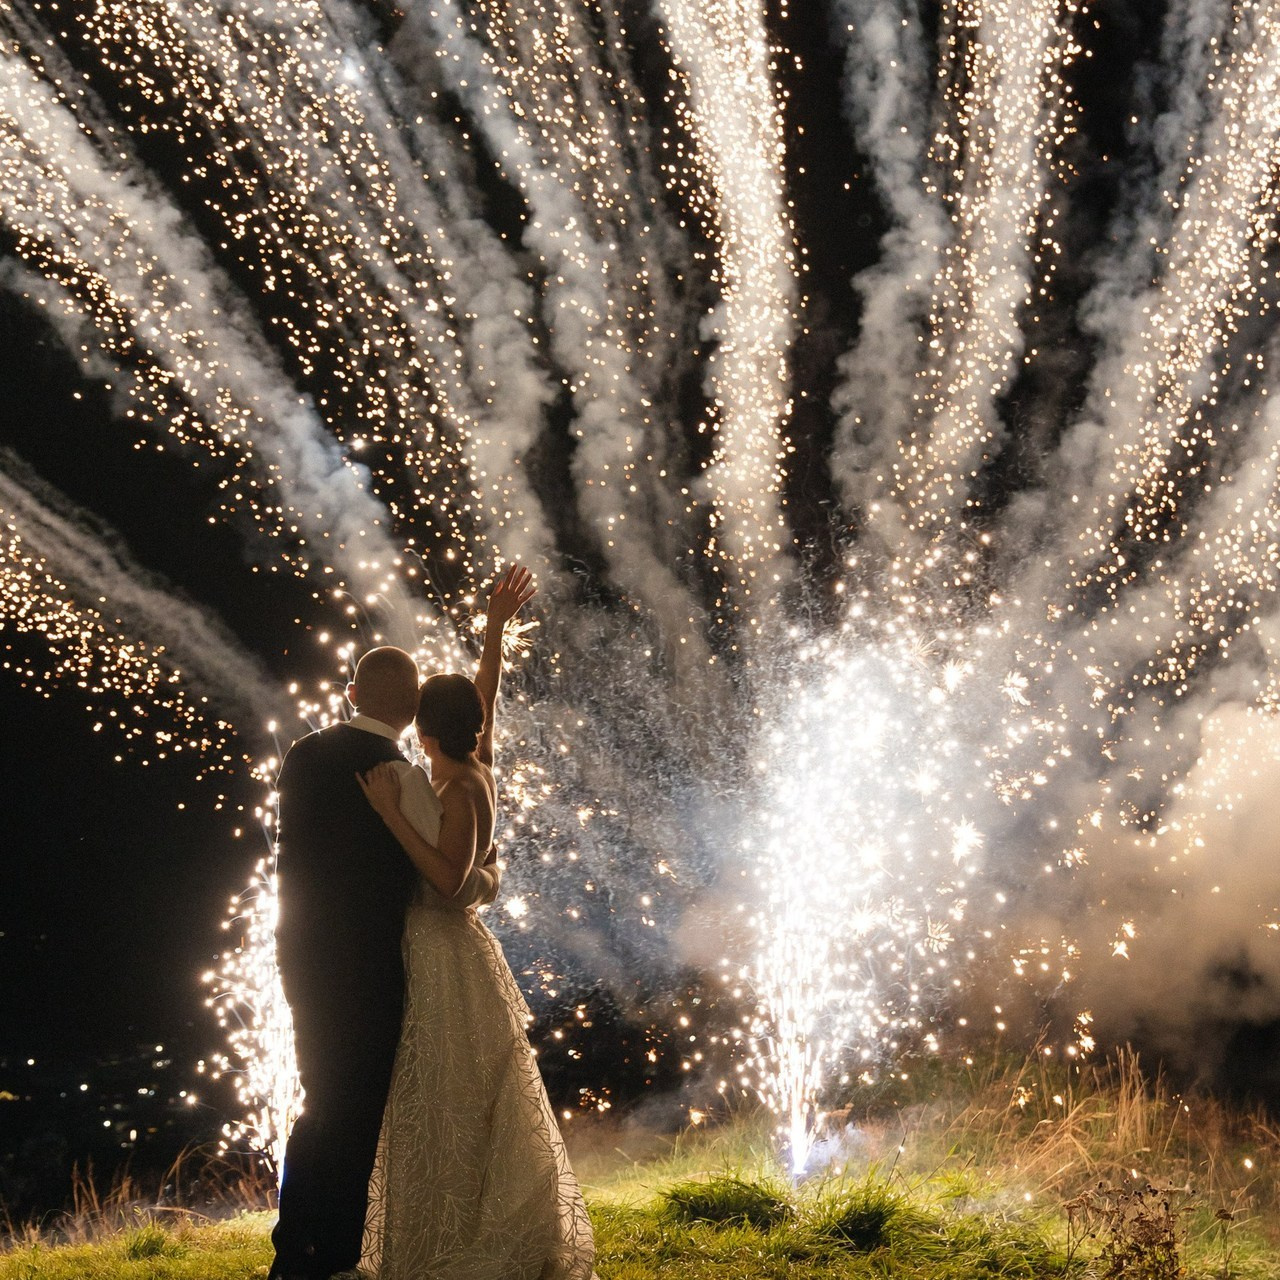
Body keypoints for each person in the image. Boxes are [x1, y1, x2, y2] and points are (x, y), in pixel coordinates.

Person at [357, 564, 597, 1279]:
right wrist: (492, 631)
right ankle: (434, 1230)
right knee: (436, 1096)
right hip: (434, 949)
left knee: (451, 1095)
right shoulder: (470, 761)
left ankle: (461, 1238)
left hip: (445, 955)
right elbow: (485, 696)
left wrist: (390, 814)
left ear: (423, 726)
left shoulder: (461, 785)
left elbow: (450, 881)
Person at [269, 645, 497, 1280]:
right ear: (412, 706)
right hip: (370, 965)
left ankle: (294, 1250)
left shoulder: (303, 753)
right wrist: (490, 878)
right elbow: (448, 881)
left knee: (320, 1098)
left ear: (352, 694)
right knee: (356, 1109)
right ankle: (329, 1255)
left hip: (301, 949)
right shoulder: (404, 777)